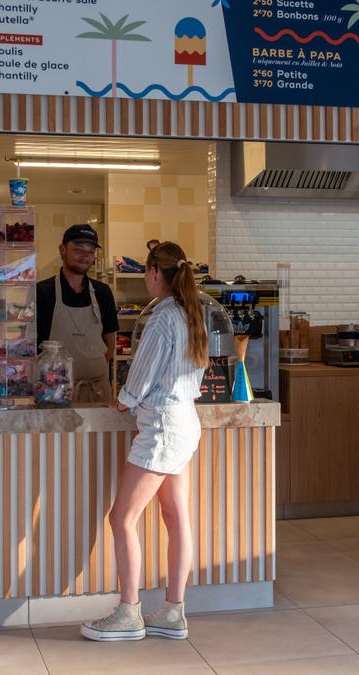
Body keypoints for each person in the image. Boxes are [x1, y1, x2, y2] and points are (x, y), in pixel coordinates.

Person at [80, 241, 208, 642]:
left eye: (147, 272)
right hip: (184, 423)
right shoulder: (191, 313)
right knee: (176, 518)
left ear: (154, 272)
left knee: (121, 518)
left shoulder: (162, 318)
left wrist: (123, 399)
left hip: (162, 429)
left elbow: (141, 376)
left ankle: (129, 612)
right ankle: (172, 612)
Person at [36, 224, 119, 404]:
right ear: (62, 250)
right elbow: (33, 345)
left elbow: (110, 342)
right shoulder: (42, 292)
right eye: (78, 250)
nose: (85, 256)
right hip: (54, 390)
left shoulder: (103, 292)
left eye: (90, 251)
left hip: (96, 388)